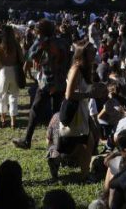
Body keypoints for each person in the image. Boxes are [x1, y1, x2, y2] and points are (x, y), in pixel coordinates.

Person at [13, 19, 69, 150]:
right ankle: (58, 142)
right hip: (60, 82)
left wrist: (39, 43)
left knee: (35, 110)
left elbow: (28, 56)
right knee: (57, 112)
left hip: (47, 83)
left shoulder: (42, 42)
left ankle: (27, 140)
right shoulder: (63, 42)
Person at [56, 42, 97, 180]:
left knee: (86, 142)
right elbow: (69, 95)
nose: (95, 54)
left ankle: (83, 172)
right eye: (92, 52)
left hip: (82, 110)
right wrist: (89, 95)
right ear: (83, 54)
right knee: (84, 142)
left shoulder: (86, 69)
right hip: (75, 112)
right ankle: (83, 173)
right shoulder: (76, 69)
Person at [0, 26, 24, 129]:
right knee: (13, 96)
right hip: (14, 70)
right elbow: (21, 58)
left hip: (3, 71)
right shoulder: (16, 45)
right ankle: (13, 121)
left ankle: (3, 120)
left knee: (2, 96)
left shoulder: (0, 47)